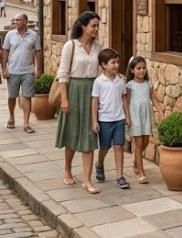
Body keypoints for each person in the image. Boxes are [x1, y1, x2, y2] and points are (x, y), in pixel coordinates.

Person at [55, 11, 103, 193]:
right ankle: (67, 169)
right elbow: (62, 73)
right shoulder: (71, 46)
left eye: (98, 26)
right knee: (72, 134)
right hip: (74, 90)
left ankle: (87, 180)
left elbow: (101, 72)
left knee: (89, 135)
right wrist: (65, 98)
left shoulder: (99, 47)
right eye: (94, 26)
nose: (97, 29)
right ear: (84, 27)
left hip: (92, 92)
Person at [92, 48, 130, 190]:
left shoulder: (120, 81)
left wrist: (127, 116)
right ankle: (100, 164)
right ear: (104, 64)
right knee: (105, 147)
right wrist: (94, 121)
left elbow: (124, 98)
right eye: (113, 62)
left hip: (119, 119)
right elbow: (94, 102)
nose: (116, 65)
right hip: (105, 120)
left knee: (119, 147)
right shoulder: (98, 82)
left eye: (117, 62)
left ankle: (120, 176)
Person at [1, 12, 42, 134]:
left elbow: (38, 52)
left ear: (25, 21)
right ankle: (11, 117)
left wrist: (38, 68)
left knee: (27, 96)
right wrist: (4, 68)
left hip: (28, 71)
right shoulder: (9, 35)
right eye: (14, 20)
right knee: (12, 96)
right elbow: (5, 52)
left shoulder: (34, 35)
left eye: (18, 20)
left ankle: (26, 123)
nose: (15, 22)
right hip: (13, 71)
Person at [126, 55, 153, 184]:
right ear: (132, 70)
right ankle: (141, 172)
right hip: (135, 116)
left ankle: (136, 160)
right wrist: (127, 117)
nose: (142, 71)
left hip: (146, 115)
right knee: (139, 145)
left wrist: (161, 112)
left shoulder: (148, 84)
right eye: (138, 68)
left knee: (146, 141)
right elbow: (127, 101)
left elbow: (154, 99)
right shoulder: (130, 85)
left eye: (143, 68)